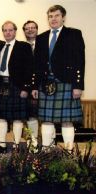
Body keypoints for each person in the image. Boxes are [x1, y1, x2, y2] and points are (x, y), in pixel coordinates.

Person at [32, 5, 85, 151]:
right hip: (46, 83)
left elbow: (79, 61)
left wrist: (78, 85)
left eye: (56, 15)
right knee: (46, 120)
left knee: (67, 121)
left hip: (66, 82)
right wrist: (36, 85)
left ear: (63, 17)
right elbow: (37, 64)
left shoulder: (74, 34)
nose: (53, 19)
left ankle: (68, 152)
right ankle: (46, 151)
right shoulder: (41, 37)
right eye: (50, 16)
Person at [0, 21, 33, 154]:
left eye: (10, 30)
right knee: (0, 116)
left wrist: (26, 88)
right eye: (5, 31)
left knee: (17, 118)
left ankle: (16, 144)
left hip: (17, 85)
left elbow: (29, 68)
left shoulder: (23, 46)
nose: (8, 33)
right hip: (1, 84)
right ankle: (2, 144)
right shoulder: (0, 47)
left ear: (15, 31)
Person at [23, 20, 39, 147]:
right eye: (27, 28)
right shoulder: (21, 46)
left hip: (43, 85)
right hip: (26, 86)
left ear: (37, 29)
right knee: (30, 115)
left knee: (47, 117)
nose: (30, 30)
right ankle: (32, 142)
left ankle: (49, 142)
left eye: (32, 27)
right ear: (24, 31)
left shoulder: (44, 44)